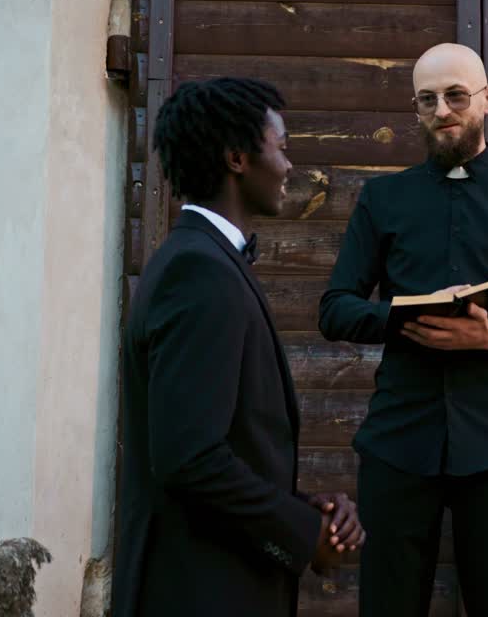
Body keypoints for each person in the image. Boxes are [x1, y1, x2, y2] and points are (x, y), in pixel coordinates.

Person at [319, 43, 488, 616]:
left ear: (486, 100)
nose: (442, 110)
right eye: (427, 99)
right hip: (397, 443)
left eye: (456, 95)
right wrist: (403, 318)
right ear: (415, 108)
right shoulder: (382, 198)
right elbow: (334, 309)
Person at [112, 77, 365, 617]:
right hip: (198, 592)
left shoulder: (203, 261)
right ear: (237, 158)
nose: (290, 166)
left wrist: (303, 509)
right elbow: (189, 457)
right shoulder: (198, 272)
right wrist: (303, 533)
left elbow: (217, 446)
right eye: (282, 146)